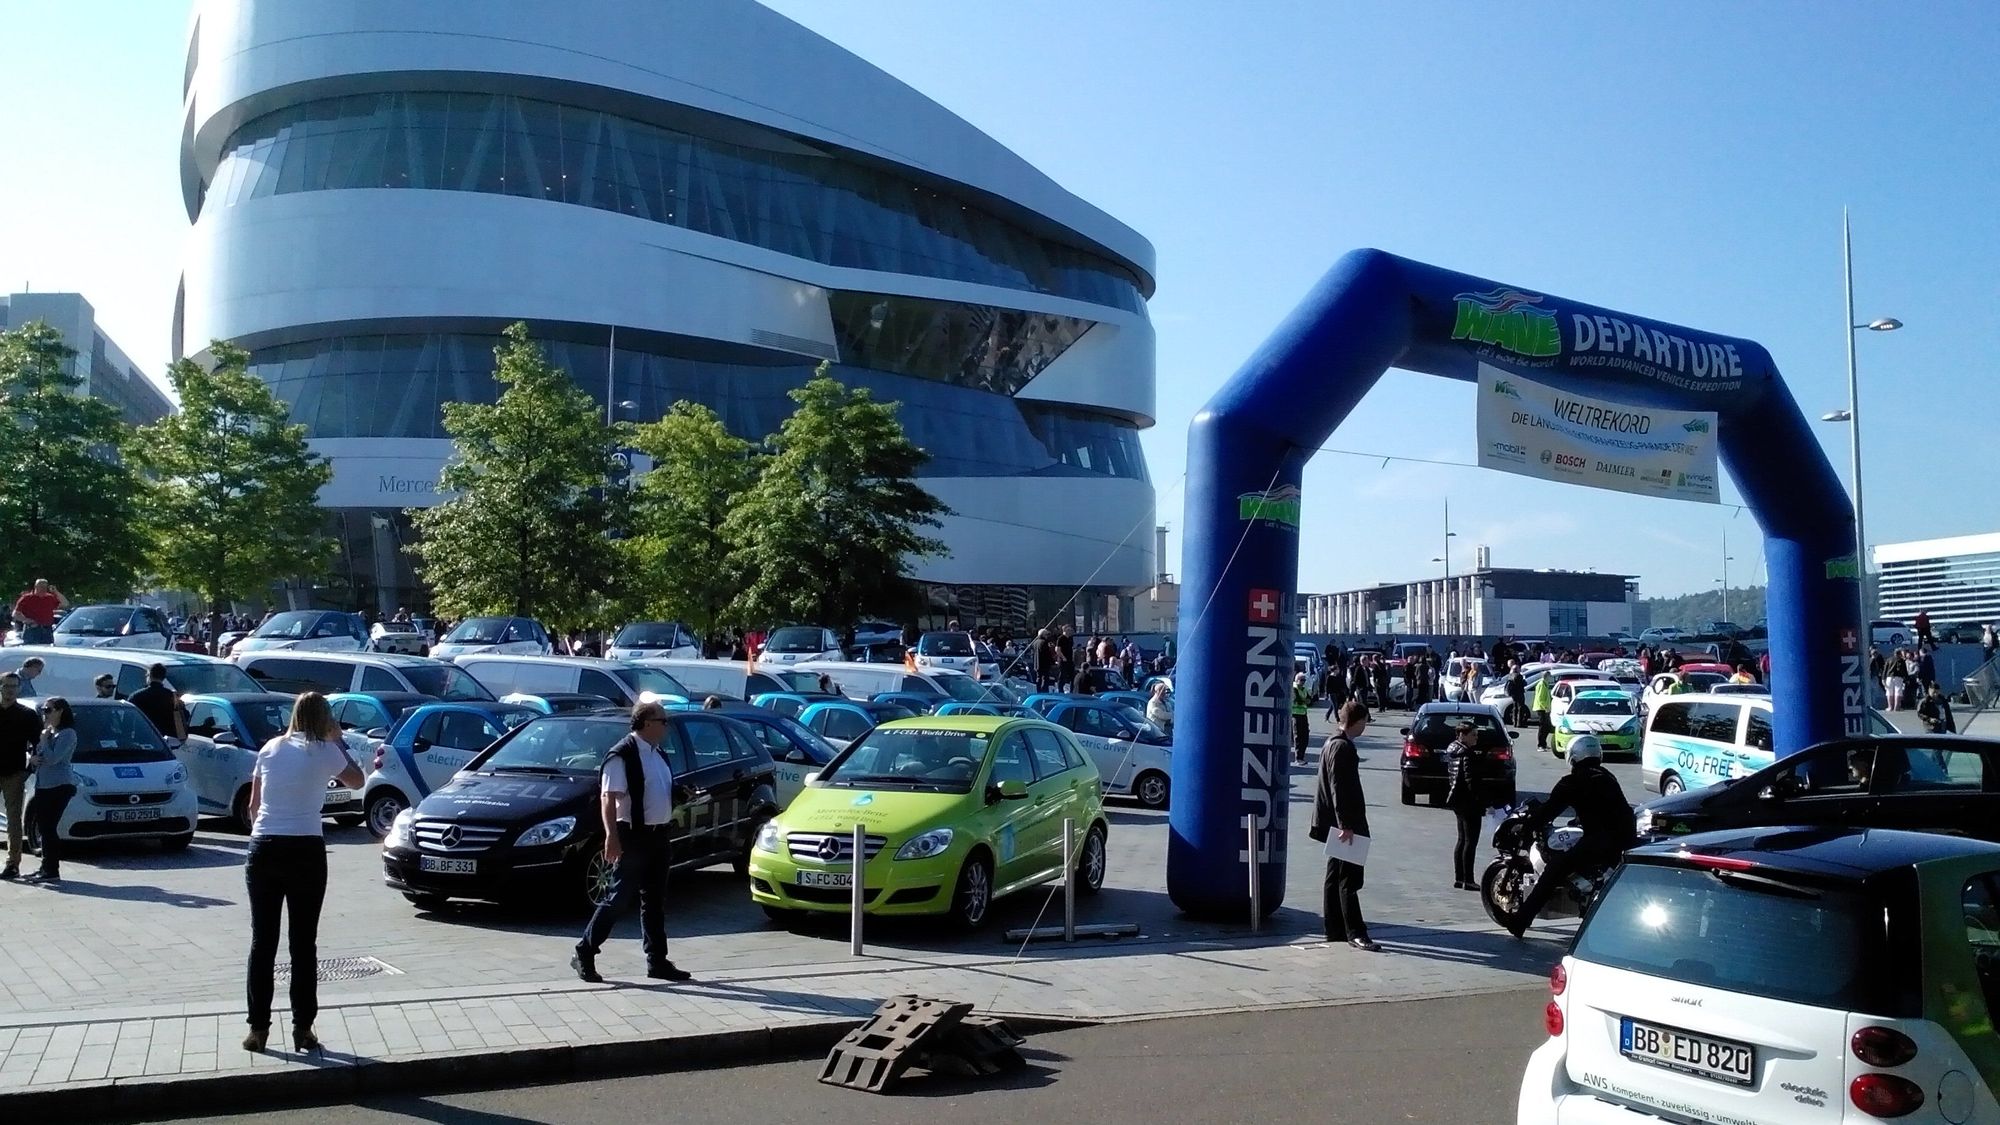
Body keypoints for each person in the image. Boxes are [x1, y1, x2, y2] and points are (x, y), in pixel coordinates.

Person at [242, 692, 365, 1054]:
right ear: (325, 718)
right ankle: (302, 1028)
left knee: (262, 941)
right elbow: (357, 781)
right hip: (306, 849)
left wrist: (263, 835)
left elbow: (254, 805)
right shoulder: (325, 750)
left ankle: (258, 1030)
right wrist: (338, 739)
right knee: (303, 943)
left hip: (264, 846)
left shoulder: (270, 748)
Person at [574, 701, 692, 985]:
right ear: (647, 723)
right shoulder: (622, 754)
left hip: (659, 836)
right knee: (616, 899)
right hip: (633, 836)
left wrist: (679, 793)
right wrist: (612, 838)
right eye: (663, 721)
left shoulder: (658, 752)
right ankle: (584, 952)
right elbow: (608, 799)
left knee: (654, 902)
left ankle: (657, 961)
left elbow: (655, 789)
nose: (667, 725)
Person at [1504, 736, 1635, 938]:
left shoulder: (1573, 781)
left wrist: (1529, 825)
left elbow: (1550, 809)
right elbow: (1601, 809)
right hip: (1625, 838)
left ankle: (1520, 922)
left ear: (1573, 756)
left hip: (1600, 840)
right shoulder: (1607, 776)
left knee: (1554, 870)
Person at [1307, 701, 1378, 951]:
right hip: (1346, 824)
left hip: (1335, 822)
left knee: (1334, 876)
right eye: (1364, 722)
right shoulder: (1342, 748)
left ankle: (1334, 928)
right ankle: (1355, 932)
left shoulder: (1331, 742)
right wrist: (1346, 824)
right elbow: (1340, 788)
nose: (1365, 727)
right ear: (1357, 721)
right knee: (1349, 879)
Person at [26, 697, 79, 885]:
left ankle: (51, 869)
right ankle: (44, 866)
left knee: (49, 828)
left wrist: (43, 740)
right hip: (43, 784)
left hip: (59, 785)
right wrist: (32, 759)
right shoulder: (49, 732)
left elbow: (54, 758)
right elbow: (39, 757)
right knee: (43, 826)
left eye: (49, 710)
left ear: (60, 711)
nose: (45, 714)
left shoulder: (67, 733)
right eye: (44, 710)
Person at [1443, 719, 1489, 891]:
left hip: (1457, 801)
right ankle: (1468, 879)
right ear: (1462, 735)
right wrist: (1481, 800)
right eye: (1473, 735)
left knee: (1462, 839)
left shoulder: (1453, 750)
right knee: (1470, 841)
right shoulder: (1467, 754)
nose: (1476, 738)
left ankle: (1459, 877)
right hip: (1469, 802)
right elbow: (1471, 781)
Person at [0, 674, 36, 879]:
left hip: (14, 772)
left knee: (13, 819)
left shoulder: (26, 714)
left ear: (19, 688)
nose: (10, 690)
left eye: (14, 686)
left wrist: (29, 770)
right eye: (7, 686)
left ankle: (12, 864)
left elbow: (37, 744)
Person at [128, 663, 189, 745]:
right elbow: (184, 716)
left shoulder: (136, 697)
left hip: (142, 740)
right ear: (163, 677)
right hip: (167, 742)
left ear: (149, 675)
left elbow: (128, 721)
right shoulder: (173, 697)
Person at [10, 580, 67, 646]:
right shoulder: (26, 598)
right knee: (32, 650)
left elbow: (65, 603)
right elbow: (15, 614)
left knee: (47, 651)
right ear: (35, 587)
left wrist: (56, 592)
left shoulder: (50, 598)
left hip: (47, 630)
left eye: (45, 587)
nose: (43, 589)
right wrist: (26, 620)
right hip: (32, 630)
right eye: (41, 587)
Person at [1289, 672, 1312, 765]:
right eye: (1301, 680)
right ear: (1296, 680)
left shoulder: (1304, 689)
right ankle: (1298, 758)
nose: (1303, 682)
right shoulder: (1294, 689)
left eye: (1304, 680)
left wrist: (1305, 700)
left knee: (1305, 737)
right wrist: (1304, 700)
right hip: (1295, 715)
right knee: (1298, 737)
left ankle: (1302, 757)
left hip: (1303, 714)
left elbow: (1309, 700)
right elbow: (1298, 700)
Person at [1530, 671, 1554, 751]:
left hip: (1544, 708)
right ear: (1547, 676)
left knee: (1547, 727)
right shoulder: (1541, 684)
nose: (1551, 678)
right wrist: (1546, 707)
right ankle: (1540, 745)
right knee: (1543, 727)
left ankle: (1544, 743)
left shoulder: (1545, 684)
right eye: (1550, 676)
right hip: (1541, 708)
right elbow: (1540, 698)